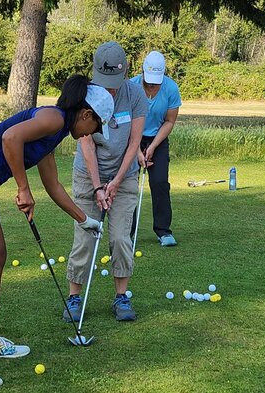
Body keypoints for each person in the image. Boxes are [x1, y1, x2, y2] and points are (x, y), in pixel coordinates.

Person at [0, 75, 113, 388]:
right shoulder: (52, 118)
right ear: (86, 115)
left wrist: (85, 219)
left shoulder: (53, 133)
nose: (94, 133)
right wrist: (22, 187)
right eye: (97, 127)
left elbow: (54, 186)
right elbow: (10, 139)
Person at [65, 41, 147, 323]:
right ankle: (75, 298)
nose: (110, 89)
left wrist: (117, 181)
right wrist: (99, 186)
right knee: (85, 236)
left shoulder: (135, 94)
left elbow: (134, 141)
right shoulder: (85, 96)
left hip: (124, 176)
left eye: (115, 82)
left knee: (120, 237)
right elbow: (86, 142)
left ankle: (121, 297)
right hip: (88, 176)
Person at [129, 51, 182, 247]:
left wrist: (152, 147)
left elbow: (169, 122)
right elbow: (126, 122)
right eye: (148, 80)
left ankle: (163, 231)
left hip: (158, 138)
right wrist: (136, 150)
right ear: (142, 72)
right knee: (129, 184)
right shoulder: (131, 87)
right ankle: (126, 232)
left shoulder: (171, 88)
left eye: (155, 81)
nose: (151, 85)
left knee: (160, 182)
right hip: (131, 137)